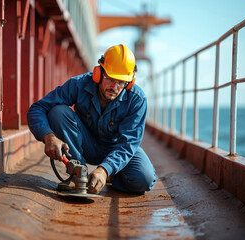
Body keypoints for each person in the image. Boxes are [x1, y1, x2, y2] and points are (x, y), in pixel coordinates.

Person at [27, 44, 156, 195]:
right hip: (84, 145)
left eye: (121, 82)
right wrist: (48, 136)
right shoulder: (79, 84)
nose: (114, 87)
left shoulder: (137, 100)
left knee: (144, 180)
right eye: (110, 79)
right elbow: (37, 108)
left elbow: (128, 144)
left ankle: (111, 175)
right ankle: (78, 175)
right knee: (58, 112)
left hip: (116, 148)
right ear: (99, 73)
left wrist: (105, 169)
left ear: (130, 82)